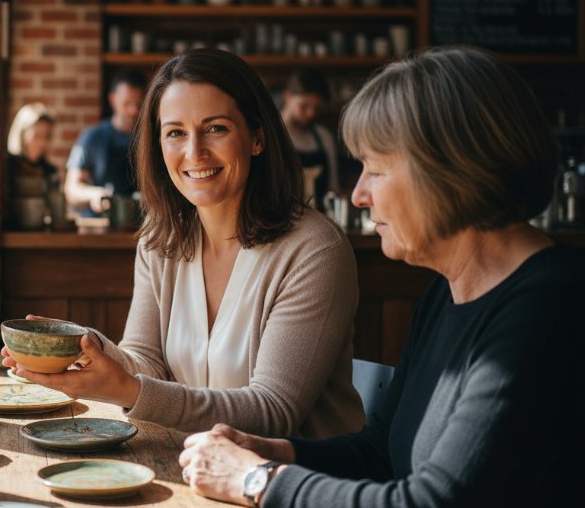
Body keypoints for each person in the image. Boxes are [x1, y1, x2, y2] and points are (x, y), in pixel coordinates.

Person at [178, 47, 584, 508]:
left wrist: (258, 480)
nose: (359, 195)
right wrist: (274, 451)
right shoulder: (445, 293)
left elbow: (434, 501)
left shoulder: (552, 306)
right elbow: (381, 452)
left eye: (375, 169)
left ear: (451, 171)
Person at [5, 49, 364, 437]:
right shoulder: (161, 240)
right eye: (175, 132)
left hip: (295, 484)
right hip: (196, 469)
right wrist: (86, 348)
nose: (195, 153)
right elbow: (146, 361)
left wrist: (130, 389)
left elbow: (273, 411)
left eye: (216, 128)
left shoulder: (314, 251)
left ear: (257, 137)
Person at [65, 69, 147, 216]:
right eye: (127, 103)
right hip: (100, 226)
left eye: (138, 104)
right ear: (112, 99)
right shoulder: (92, 137)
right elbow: (71, 190)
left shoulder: (153, 138)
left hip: (144, 226)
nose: (133, 110)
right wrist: (94, 194)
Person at [280, 69, 340, 203]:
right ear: (287, 96)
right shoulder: (269, 135)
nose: (311, 113)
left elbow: (333, 188)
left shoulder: (324, 137)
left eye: (317, 108)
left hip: (319, 218)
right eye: (304, 105)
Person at [3, 102, 58, 229]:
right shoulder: (8, 168)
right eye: (36, 135)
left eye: (47, 136)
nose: (42, 142)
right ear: (22, 134)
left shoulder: (49, 170)